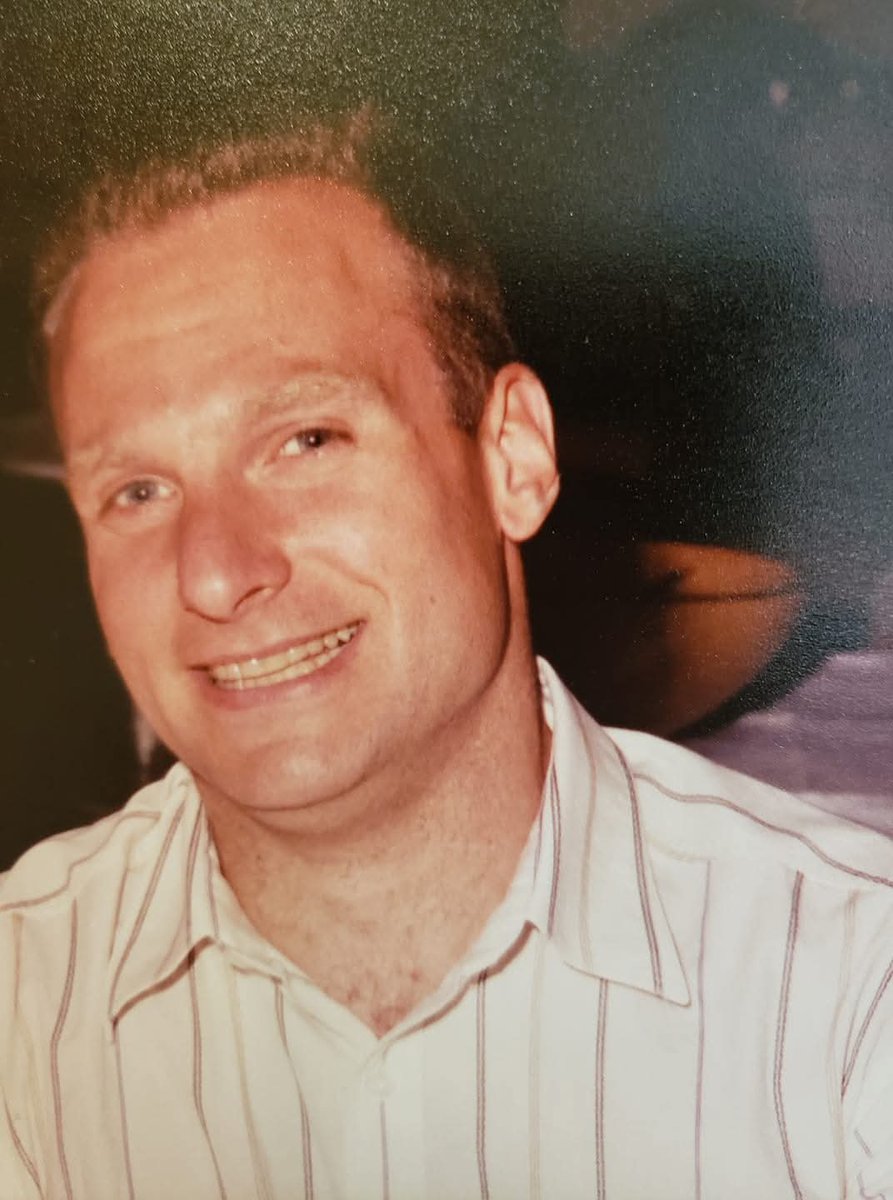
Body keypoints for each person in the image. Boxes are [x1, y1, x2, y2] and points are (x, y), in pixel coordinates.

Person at [2, 110, 893, 1200]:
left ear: (512, 457)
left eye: (305, 441)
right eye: (138, 491)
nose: (216, 574)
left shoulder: (849, 1000)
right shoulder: (23, 1016)